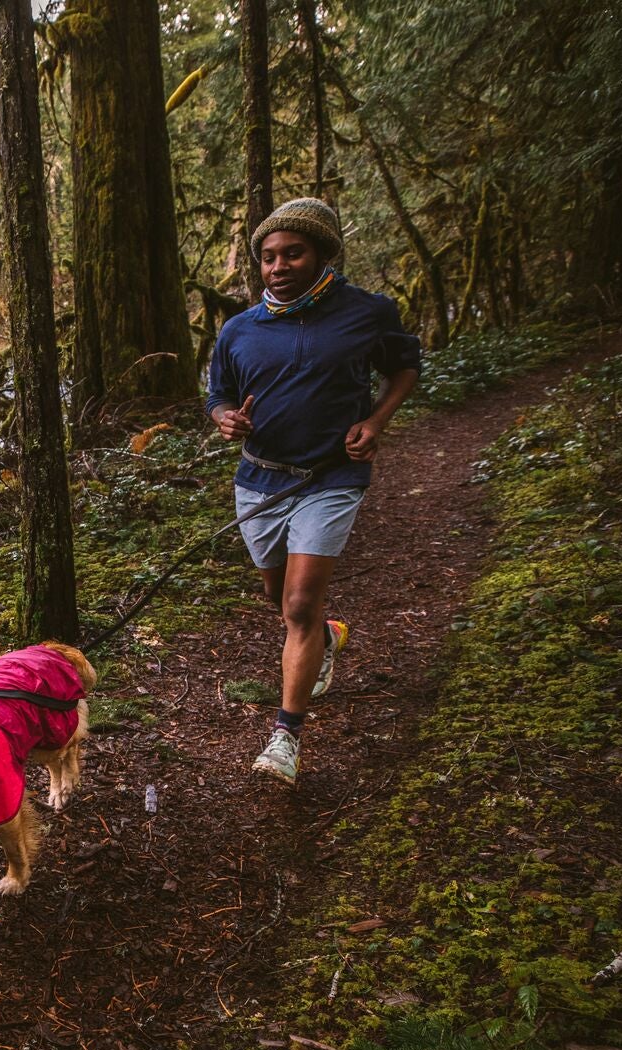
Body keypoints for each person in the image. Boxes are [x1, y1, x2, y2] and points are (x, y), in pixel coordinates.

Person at [205, 198, 421, 785]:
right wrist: (226, 418)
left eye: (292, 253)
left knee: (298, 603)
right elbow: (216, 395)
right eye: (269, 257)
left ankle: (285, 737)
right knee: (279, 597)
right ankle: (326, 637)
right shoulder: (239, 328)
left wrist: (375, 422)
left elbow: (404, 367)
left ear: (322, 252)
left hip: (331, 476)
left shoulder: (367, 313)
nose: (278, 266)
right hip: (259, 480)